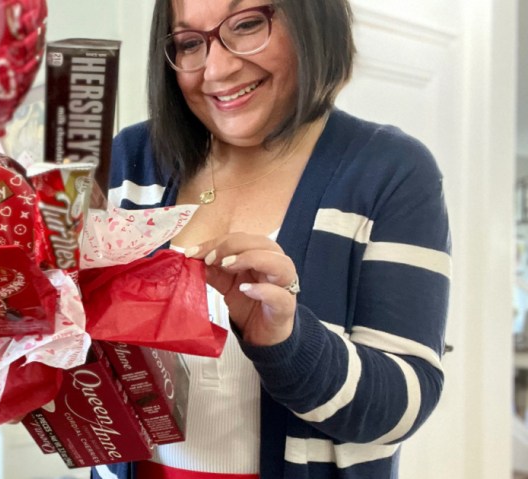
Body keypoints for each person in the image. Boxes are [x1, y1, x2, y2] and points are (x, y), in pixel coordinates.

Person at [96, 1, 450, 478]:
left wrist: (286, 339)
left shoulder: (389, 172)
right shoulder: (132, 160)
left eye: (246, 25)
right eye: (189, 44)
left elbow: (403, 405)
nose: (216, 69)